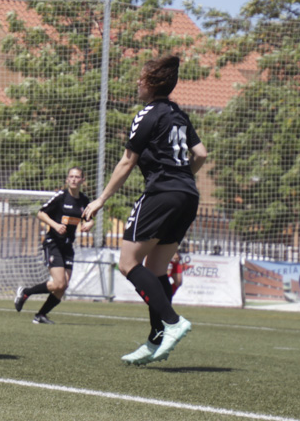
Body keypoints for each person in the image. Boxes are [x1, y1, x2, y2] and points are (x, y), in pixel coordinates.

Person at [82, 55, 207, 366]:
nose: (137, 82)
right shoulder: (179, 114)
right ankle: (155, 339)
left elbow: (127, 161)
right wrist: (182, 178)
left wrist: (100, 200)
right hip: (188, 195)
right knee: (155, 270)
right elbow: (201, 155)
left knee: (127, 264)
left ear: (151, 84)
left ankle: (173, 322)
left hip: (161, 193)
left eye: (141, 78)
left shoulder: (147, 114)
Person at [14, 167, 92, 324]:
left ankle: (40, 315)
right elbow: (41, 213)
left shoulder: (84, 200)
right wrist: (56, 225)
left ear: (83, 180)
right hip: (53, 243)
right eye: (71, 176)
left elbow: (90, 218)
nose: (74, 179)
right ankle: (25, 292)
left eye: (77, 177)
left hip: (68, 246)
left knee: (62, 287)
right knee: (58, 283)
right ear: (67, 180)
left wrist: (89, 224)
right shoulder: (61, 197)